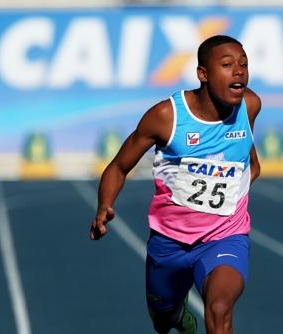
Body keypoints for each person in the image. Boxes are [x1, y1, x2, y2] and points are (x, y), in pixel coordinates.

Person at [89, 35, 261, 334]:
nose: (239, 71)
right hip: (169, 243)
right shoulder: (166, 117)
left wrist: (232, 191)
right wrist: (104, 206)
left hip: (225, 237)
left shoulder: (249, 106)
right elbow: (118, 166)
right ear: (203, 74)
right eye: (227, 64)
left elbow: (249, 161)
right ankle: (176, 316)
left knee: (219, 308)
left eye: (243, 64)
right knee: (163, 319)